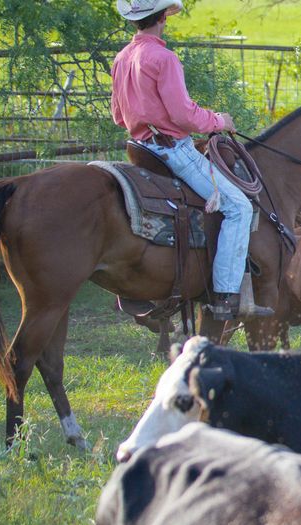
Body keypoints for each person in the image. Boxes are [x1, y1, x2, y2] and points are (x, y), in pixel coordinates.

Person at [110, 0, 272, 321]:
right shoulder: (164, 58)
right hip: (173, 151)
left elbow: (118, 115)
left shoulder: (122, 58)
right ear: (163, 18)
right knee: (238, 207)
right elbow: (184, 116)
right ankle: (227, 296)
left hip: (138, 148)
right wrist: (219, 121)